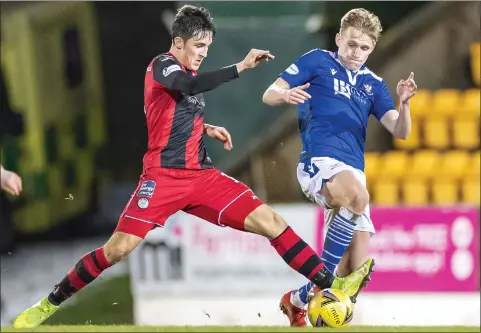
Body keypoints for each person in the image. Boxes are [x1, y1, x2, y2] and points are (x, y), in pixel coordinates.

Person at [13, 5, 374, 329]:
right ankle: (47, 306)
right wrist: (240, 67)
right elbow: (184, 84)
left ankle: (327, 287)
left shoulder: (186, 77)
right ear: (179, 41)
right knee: (117, 250)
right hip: (162, 179)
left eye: (207, 48)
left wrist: (206, 128)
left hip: (201, 178)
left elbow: (171, 115)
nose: (203, 54)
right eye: (199, 47)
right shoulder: (163, 65)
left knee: (272, 222)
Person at [262, 8, 417, 327]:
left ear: (372, 48)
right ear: (338, 39)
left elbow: (400, 131)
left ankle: (299, 300)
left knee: (350, 280)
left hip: (353, 176)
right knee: (358, 198)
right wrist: (285, 94)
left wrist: (405, 104)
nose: (356, 52)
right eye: (351, 44)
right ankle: (312, 289)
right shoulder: (317, 60)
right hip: (319, 163)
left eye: (364, 47)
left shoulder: (374, 84)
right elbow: (269, 93)